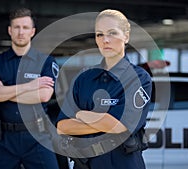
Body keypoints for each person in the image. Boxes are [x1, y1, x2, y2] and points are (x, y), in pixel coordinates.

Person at [56, 9, 152, 169]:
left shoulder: (139, 78)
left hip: (122, 163)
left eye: (112, 33)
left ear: (126, 36)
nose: (105, 40)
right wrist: (105, 122)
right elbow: (62, 126)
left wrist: (81, 114)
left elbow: (121, 126)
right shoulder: (83, 78)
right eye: (99, 34)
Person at [0, 7, 60, 169]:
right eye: (16, 27)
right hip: (3, 137)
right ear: (10, 30)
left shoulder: (46, 62)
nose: (21, 32)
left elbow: (43, 96)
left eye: (25, 28)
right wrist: (30, 86)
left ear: (32, 31)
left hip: (37, 137)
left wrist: (3, 91)